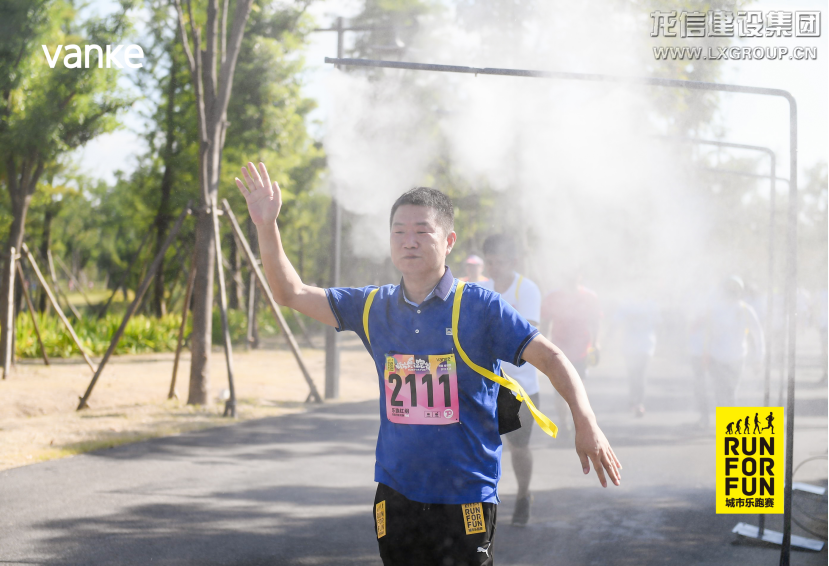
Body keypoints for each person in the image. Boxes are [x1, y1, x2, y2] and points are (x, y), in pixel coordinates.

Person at [235, 163, 621, 566]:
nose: (409, 241)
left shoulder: (480, 306)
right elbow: (291, 293)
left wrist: (586, 421)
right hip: (396, 492)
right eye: (399, 232)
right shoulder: (372, 306)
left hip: (466, 494)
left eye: (422, 231)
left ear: (449, 240)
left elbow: (552, 356)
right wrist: (266, 226)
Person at [478, 234, 542, 527]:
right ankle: (481, 502)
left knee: (518, 449)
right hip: (484, 386)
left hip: (520, 388)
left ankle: (523, 494)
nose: (493, 268)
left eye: (499, 262)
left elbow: (527, 337)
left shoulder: (527, 290)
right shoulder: (480, 289)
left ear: (512, 262)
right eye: (488, 262)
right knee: (480, 448)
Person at [692, 276, 765, 420]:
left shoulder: (746, 310)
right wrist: (701, 354)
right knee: (720, 392)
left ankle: (728, 425)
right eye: (728, 288)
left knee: (730, 392)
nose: (731, 292)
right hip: (716, 358)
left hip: (737, 358)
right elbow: (703, 332)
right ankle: (725, 424)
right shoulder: (713, 309)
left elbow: (758, 334)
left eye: (735, 289)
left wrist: (759, 358)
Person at [540, 272, 602, 433]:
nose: (571, 277)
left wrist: (596, 344)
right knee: (559, 390)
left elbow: (596, 322)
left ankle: (580, 425)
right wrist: (542, 347)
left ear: (580, 276)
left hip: (581, 350)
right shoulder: (553, 296)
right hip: (558, 351)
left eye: (575, 274)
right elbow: (545, 323)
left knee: (577, 389)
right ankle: (564, 423)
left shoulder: (589, 297)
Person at [609, 296, 661, 418]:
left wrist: (661, 343)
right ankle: (633, 399)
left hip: (646, 345)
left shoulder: (651, 304)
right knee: (632, 374)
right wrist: (609, 338)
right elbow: (616, 322)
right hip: (629, 345)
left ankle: (640, 403)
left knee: (641, 373)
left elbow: (659, 323)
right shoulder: (626, 303)